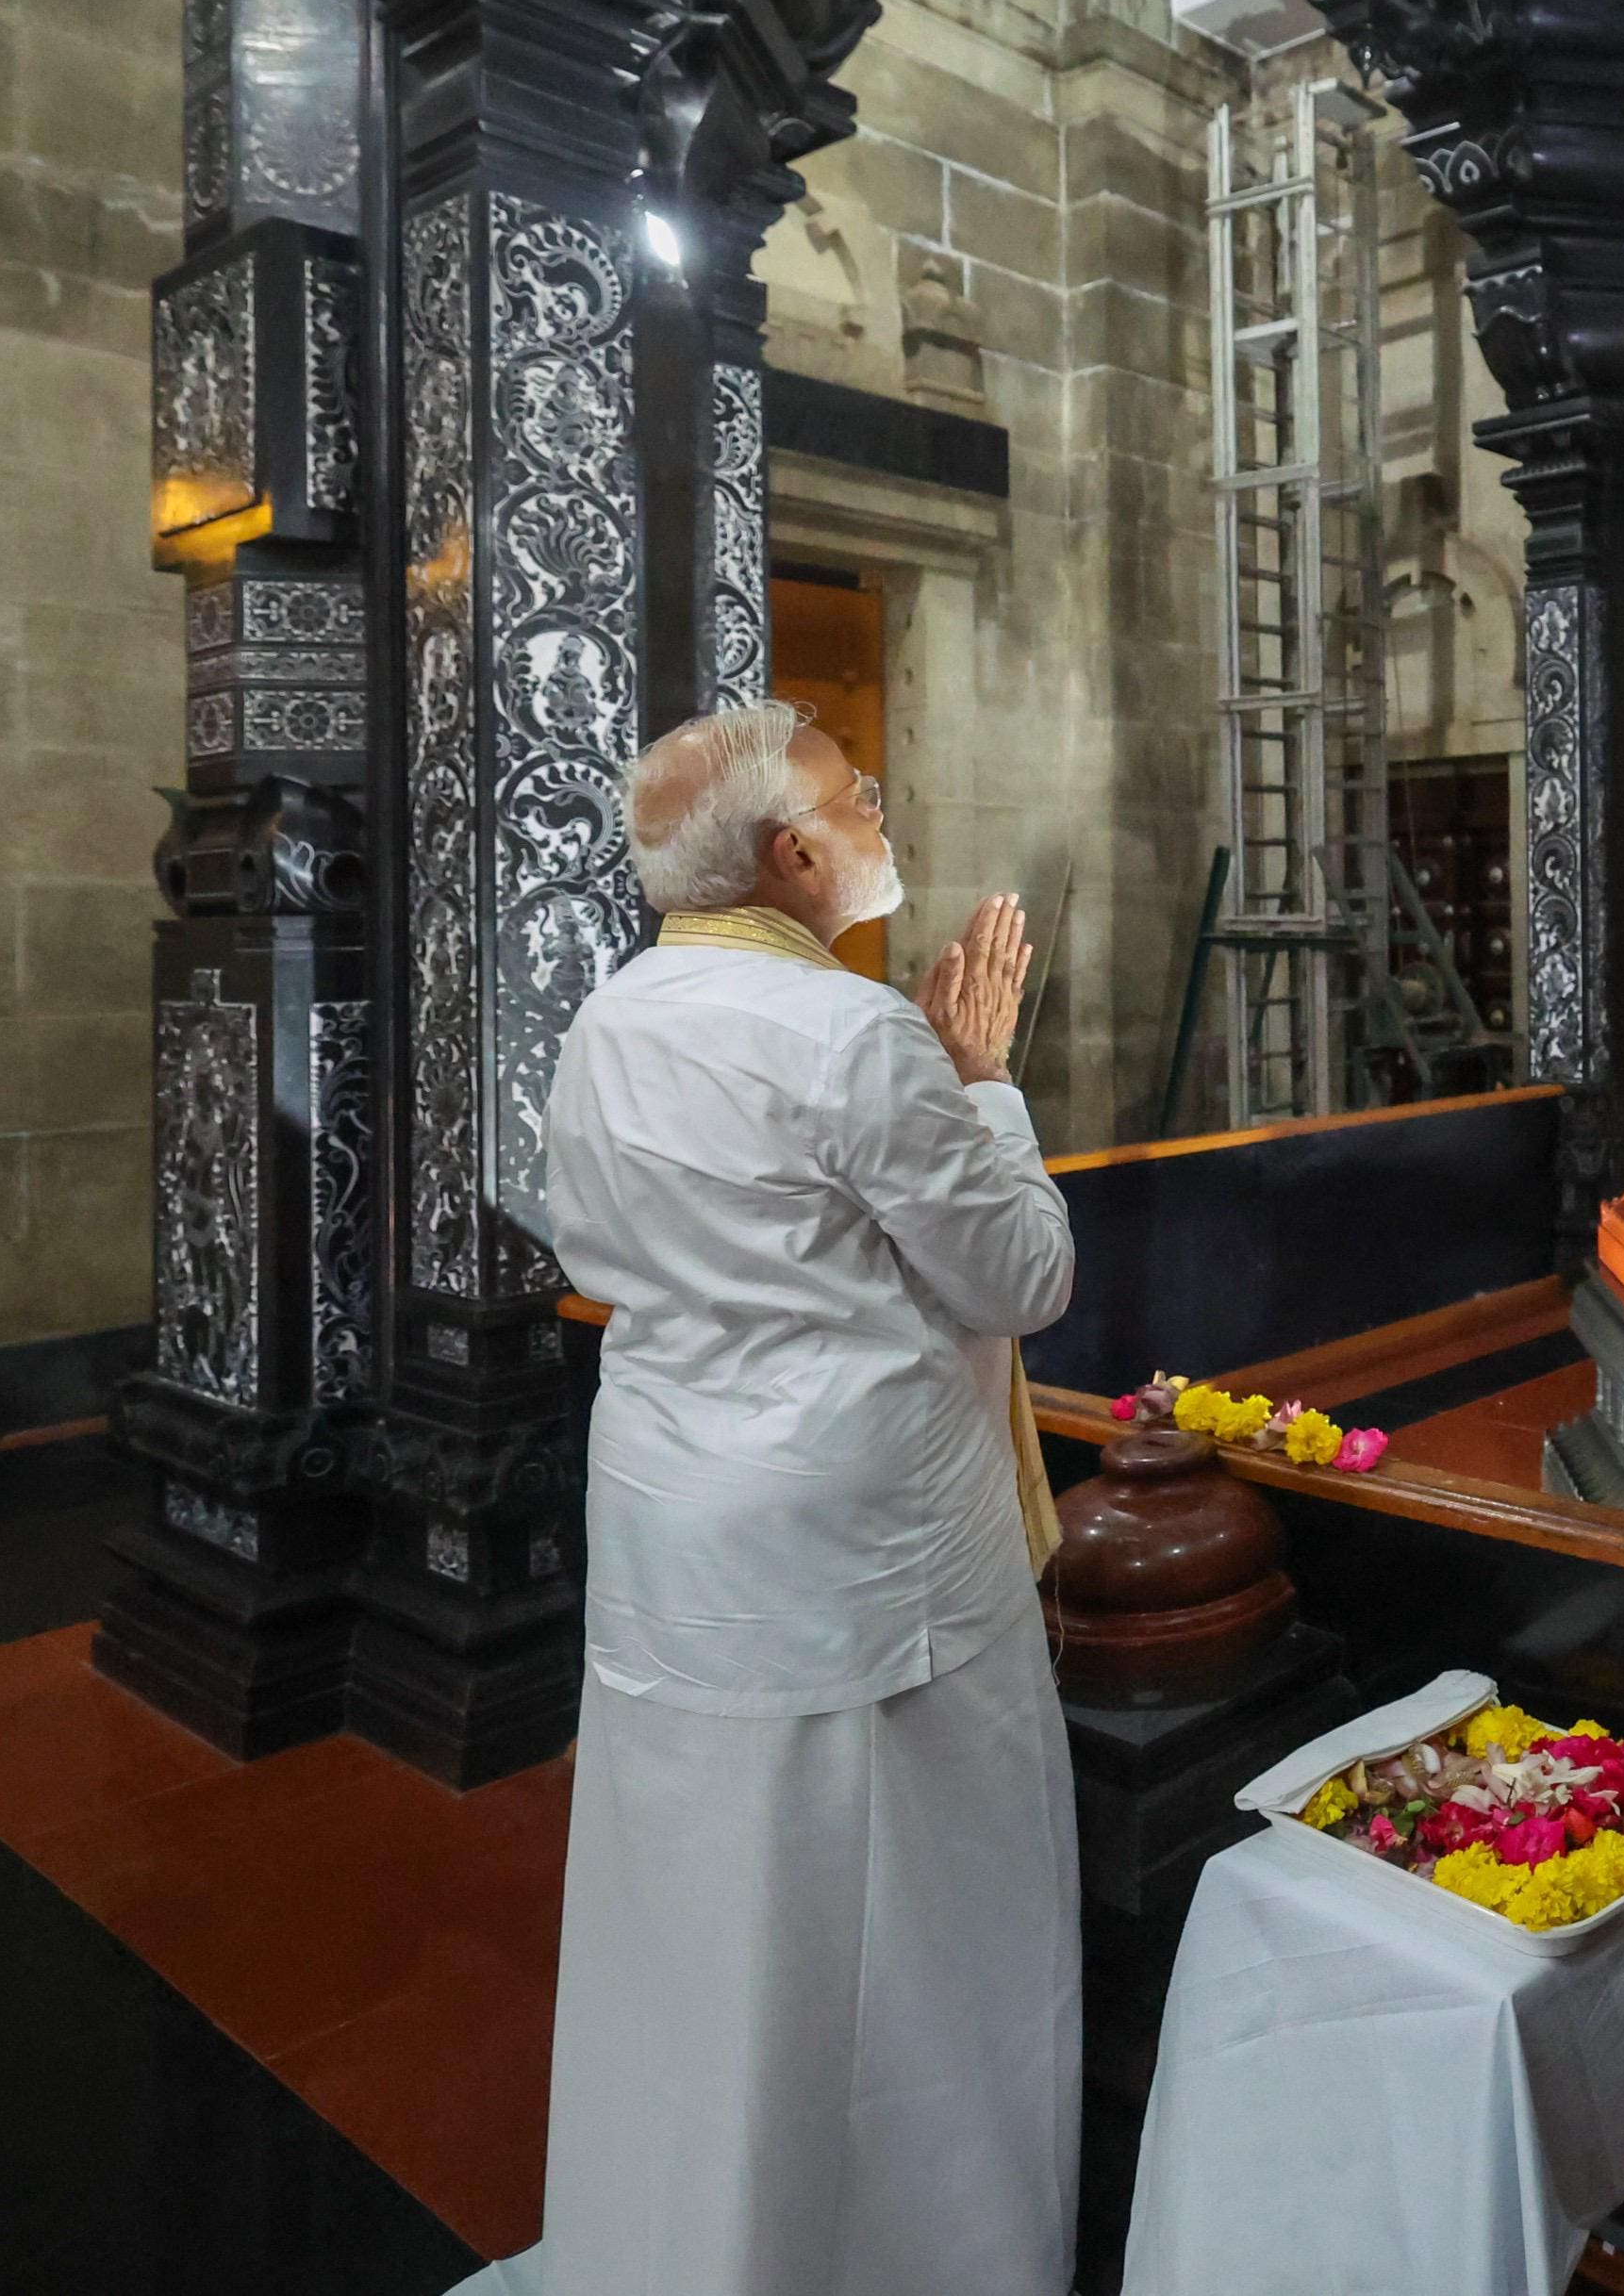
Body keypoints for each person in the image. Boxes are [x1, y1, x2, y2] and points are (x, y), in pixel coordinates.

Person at [461, 699, 1079, 2296]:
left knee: (693, 1918)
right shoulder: (854, 1033)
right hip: (864, 1551)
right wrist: (981, 1084)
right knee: (913, 1934)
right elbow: (1021, 1271)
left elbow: (610, 1258)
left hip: (675, 1515)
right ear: (795, 854)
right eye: (856, 797)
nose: (878, 813)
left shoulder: (611, 1017)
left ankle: (677, 2241)